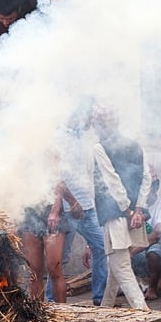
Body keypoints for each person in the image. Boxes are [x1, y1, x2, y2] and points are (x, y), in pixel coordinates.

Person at [91, 104, 151, 311]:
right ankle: (105, 309)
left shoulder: (100, 148)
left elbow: (111, 181)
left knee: (121, 266)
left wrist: (128, 210)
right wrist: (139, 209)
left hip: (117, 214)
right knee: (115, 265)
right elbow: (146, 178)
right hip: (134, 214)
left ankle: (143, 313)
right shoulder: (135, 145)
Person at [57, 101, 109, 306]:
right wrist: (71, 201)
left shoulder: (83, 138)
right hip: (70, 207)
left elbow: (88, 174)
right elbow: (57, 175)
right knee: (62, 257)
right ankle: (54, 301)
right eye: (89, 117)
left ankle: (100, 298)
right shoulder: (59, 138)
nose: (91, 122)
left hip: (87, 205)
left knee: (98, 247)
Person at [131, 173, 161, 300]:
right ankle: (138, 284)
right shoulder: (135, 208)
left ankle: (152, 288)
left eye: (146, 188)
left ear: (156, 187)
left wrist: (131, 251)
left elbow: (155, 236)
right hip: (143, 255)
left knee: (154, 250)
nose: (143, 192)